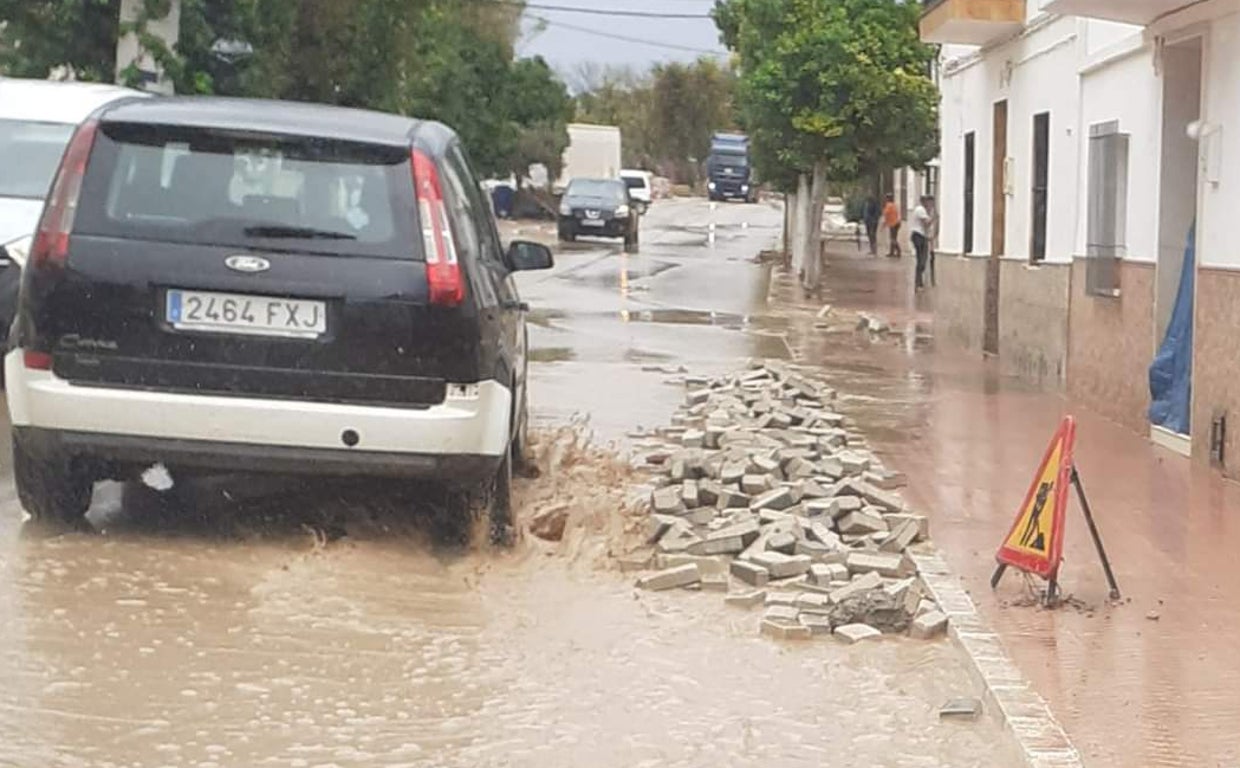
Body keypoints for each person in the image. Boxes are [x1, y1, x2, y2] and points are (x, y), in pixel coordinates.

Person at [911, 195, 936, 289]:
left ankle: (919, 281)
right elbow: (927, 223)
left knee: (922, 260)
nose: (931, 204)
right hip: (918, 236)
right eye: (930, 202)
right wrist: (934, 218)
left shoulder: (925, 211)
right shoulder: (920, 210)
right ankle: (918, 282)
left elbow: (927, 227)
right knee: (921, 260)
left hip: (922, 236)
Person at [882, 194, 901, 258]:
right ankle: (892, 252)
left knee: (893, 238)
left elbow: (886, 214)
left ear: (887, 199)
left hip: (893, 223)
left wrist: (884, 224)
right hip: (897, 223)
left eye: (886, 198)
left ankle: (898, 251)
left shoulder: (889, 205)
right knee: (893, 238)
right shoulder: (894, 205)